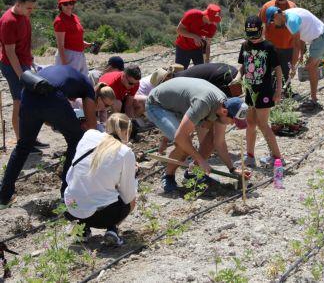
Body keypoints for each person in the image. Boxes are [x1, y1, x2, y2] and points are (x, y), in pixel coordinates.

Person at [0, 65, 97, 209]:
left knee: (23, 146)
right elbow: (92, 127)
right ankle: (66, 193)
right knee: (76, 141)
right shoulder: (88, 86)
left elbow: (43, 114)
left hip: (28, 96)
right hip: (52, 98)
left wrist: (57, 123)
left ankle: (3, 196)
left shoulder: (61, 73)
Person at [145, 77, 248, 193]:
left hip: (179, 106)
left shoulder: (223, 105)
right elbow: (180, 137)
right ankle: (168, 176)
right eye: (233, 121)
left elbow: (218, 142)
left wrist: (232, 169)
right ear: (225, 112)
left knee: (212, 136)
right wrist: (200, 160)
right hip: (158, 104)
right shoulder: (204, 103)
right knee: (183, 143)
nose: (232, 124)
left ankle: (193, 173)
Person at [64, 113, 137, 246]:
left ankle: (82, 228)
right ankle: (112, 229)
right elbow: (128, 195)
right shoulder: (125, 152)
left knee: (87, 186)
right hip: (104, 216)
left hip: (71, 204)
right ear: (126, 131)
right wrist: (133, 173)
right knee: (130, 200)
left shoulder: (89, 135)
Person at [148, 63, 240, 154]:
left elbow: (190, 118)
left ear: (167, 78)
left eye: (161, 84)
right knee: (205, 117)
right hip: (232, 73)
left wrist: (167, 140)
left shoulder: (178, 84)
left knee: (210, 116)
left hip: (225, 80)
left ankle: (210, 148)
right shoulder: (180, 78)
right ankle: (209, 148)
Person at [233, 15, 283, 167]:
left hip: (265, 91)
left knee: (263, 124)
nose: (253, 39)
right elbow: (243, 65)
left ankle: (277, 157)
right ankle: (250, 156)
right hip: (250, 91)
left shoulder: (268, 47)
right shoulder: (245, 45)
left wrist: (278, 90)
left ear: (262, 31)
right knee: (250, 123)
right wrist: (237, 77)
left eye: (256, 36)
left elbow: (278, 69)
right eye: (250, 36)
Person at [0, 0, 45, 150]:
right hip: (12, 67)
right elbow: (10, 53)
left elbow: (25, 42)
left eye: (33, 8)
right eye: (29, 8)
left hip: (24, 64)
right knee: (19, 102)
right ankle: (22, 142)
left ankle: (30, 137)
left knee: (29, 102)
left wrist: (30, 60)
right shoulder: (8, 21)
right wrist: (21, 76)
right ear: (18, 4)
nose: (31, 11)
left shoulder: (24, 16)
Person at [266, 6, 324, 111]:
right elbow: (301, 36)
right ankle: (314, 98)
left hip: (322, 38)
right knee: (312, 67)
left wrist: (292, 67)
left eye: (272, 20)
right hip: (321, 37)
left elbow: (296, 45)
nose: (273, 23)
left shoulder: (291, 21)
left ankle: (314, 99)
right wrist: (302, 53)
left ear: (276, 15)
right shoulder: (288, 15)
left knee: (311, 67)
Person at [259, 0, 297, 95]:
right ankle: (270, 92)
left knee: (286, 71)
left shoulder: (292, 7)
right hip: (271, 46)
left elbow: (297, 27)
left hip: (288, 46)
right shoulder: (267, 6)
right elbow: (261, 24)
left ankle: (287, 91)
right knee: (270, 71)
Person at [53, 0, 91, 76]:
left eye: (71, 2)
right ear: (60, 5)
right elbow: (60, 45)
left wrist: (83, 43)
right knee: (70, 82)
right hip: (68, 55)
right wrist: (64, 63)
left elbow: (75, 34)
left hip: (79, 54)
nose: (69, 6)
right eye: (65, 3)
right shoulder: (60, 21)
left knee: (83, 80)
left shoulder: (75, 17)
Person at [175, 4, 222, 69]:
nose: (213, 22)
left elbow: (208, 45)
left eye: (215, 20)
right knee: (179, 70)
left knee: (201, 70)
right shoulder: (192, 14)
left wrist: (207, 60)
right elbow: (179, 30)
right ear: (206, 15)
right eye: (212, 19)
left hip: (197, 49)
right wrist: (194, 36)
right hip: (182, 47)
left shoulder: (212, 27)